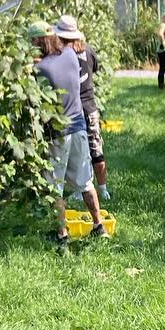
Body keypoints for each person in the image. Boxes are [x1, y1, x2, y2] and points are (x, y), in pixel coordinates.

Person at [28, 20, 107, 245]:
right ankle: (98, 225)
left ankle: (61, 236)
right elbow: (60, 56)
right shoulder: (71, 55)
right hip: (79, 126)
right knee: (85, 182)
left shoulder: (39, 69)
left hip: (57, 133)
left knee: (55, 186)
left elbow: (37, 88)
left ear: (37, 42)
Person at [56, 14, 110, 201]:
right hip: (89, 105)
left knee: (73, 152)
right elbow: (94, 69)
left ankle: (80, 190)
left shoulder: (60, 54)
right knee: (95, 148)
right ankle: (102, 189)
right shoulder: (89, 50)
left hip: (71, 108)